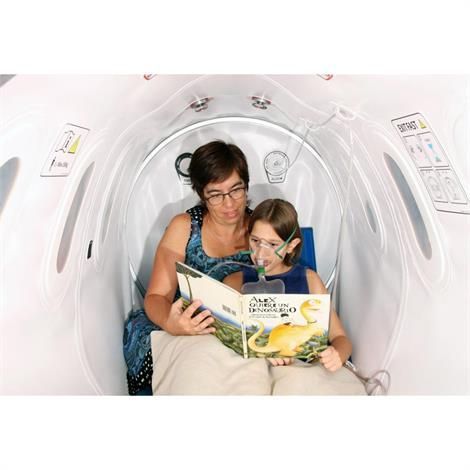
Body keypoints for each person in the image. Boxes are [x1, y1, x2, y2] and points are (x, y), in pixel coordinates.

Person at [123, 140, 253, 395]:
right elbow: (156, 297)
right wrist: (172, 323)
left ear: (246, 185)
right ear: (202, 194)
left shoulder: (263, 225)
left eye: (236, 190)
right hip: (183, 324)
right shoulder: (184, 226)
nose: (229, 203)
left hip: (239, 331)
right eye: (215, 195)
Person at [223, 198, 352, 371]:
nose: (260, 253)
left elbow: (341, 338)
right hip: (251, 370)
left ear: (291, 245)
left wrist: (337, 355)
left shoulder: (310, 281)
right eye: (255, 241)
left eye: (273, 244)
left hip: (300, 371)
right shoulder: (234, 282)